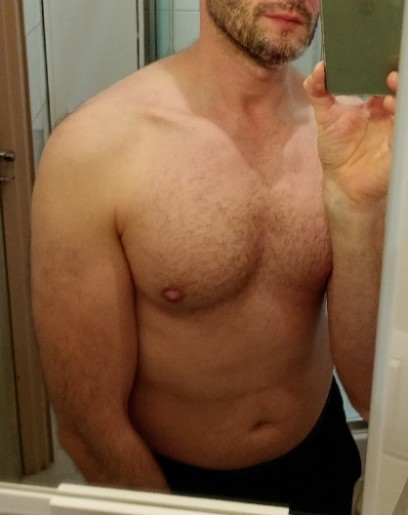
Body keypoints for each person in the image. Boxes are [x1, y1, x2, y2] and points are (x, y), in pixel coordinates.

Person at [31, 1, 398, 514]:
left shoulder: (345, 132)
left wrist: (357, 208)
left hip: (321, 458)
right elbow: (89, 426)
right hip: (171, 484)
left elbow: (367, 388)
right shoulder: (94, 150)